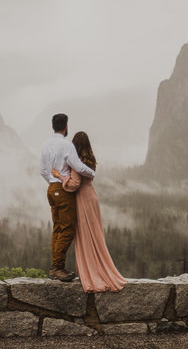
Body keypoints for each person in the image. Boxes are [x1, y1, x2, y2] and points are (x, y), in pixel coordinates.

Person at [51, 131, 127, 293]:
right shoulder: (90, 160)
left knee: (86, 236)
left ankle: (91, 273)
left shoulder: (76, 161)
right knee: (95, 235)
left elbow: (74, 184)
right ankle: (99, 269)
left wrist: (60, 177)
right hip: (92, 196)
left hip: (82, 200)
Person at [40, 113, 96, 282]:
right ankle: (57, 268)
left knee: (57, 228)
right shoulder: (66, 145)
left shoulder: (46, 144)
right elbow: (77, 166)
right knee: (67, 228)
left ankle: (55, 267)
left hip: (51, 188)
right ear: (66, 127)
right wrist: (92, 172)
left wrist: (52, 181)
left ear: (52, 126)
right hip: (63, 191)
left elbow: (43, 170)